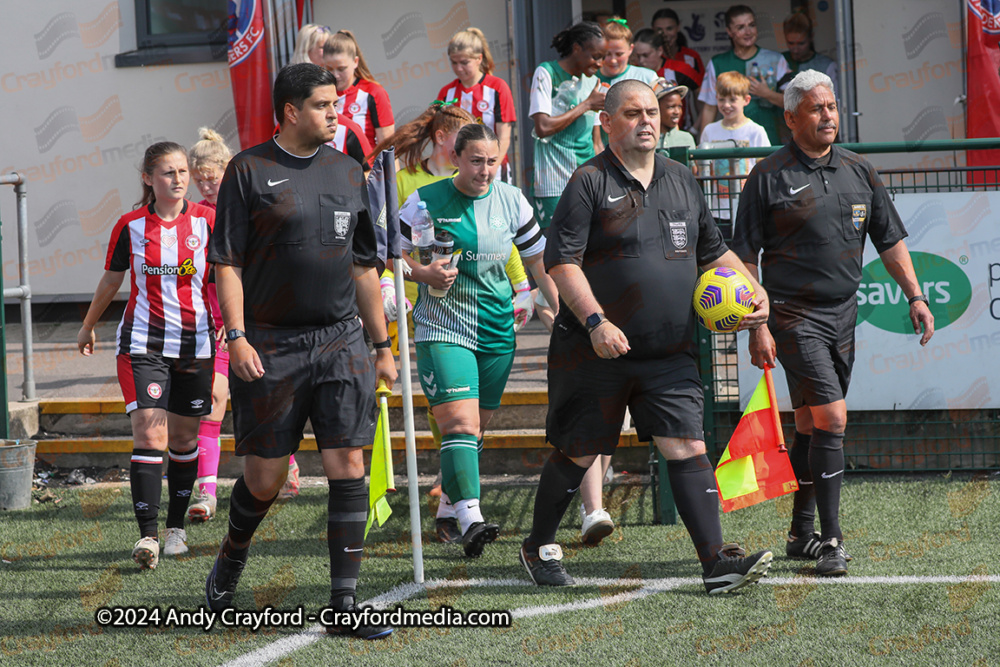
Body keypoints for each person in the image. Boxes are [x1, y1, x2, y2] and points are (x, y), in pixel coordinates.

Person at [519, 79, 773, 595]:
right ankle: (538, 543)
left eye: (652, 112)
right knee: (578, 450)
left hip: (669, 349)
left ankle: (716, 563)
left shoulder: (682, 177)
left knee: (687, 443)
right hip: (594, 349)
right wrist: (596, 322)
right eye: (633, 113)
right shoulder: (588, 182)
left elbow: (712, 250)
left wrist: (754, 292)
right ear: (606, 124)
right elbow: (560, 262)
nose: (646, 121)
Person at [204, 64, 397, 641]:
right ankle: (229, 562)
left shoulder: (347, 169)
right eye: (323, 105)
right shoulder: (248, 169)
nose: (336, 114)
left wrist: (382, 344)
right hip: (270, 343)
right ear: (291, 111)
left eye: (336, 104)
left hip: (341, 340)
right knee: (262, 479)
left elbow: (364, 266)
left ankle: (344, 602)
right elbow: (228, 262)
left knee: (349, 465)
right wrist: (236, 336)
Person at [733, 70, 934, 577]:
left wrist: (915, 295)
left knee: (808, 423)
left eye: (833, 107)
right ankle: (832, 540)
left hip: (845, 315)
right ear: (792, 117)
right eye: (817, 108)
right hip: (791, 316)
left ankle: (800, 532)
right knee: (834, 419)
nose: (828, 116)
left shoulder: (860, 170)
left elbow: (889, 241)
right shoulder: (767, 175)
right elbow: (744, 257)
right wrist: (758, 323)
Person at [400, 123, 558, 558]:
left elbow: (539, 262)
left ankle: (450, 509)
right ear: (456, 158)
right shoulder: (426, 201)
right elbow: (386, 252)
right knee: (460, 425)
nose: (485, 170)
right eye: (476, 161)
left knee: (476, 429)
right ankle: (472, 516)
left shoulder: (512, 200)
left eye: (492, 161)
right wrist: (423, 273)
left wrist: (565, 308)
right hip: (442, 326)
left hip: (496, 330)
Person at [77, 142, 215, 569]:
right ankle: (148, 536)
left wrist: (237, 323)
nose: (178, 179)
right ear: (148, 178)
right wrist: (87, 324)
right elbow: (110, 281)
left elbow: (229, 274)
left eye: (182, 172)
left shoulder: (209, 221)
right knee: (150, 436)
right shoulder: (130, 225)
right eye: (168, 173)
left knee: (185, 440)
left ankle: (176, 529)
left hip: (196, 345)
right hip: (143, 345)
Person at [186, 128, 233, 522]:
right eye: (197, 178)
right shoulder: (195, 216)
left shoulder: (248, 208)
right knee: (213, 402)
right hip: (212, 327)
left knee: (264, 401)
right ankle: (207, 491)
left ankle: (286, 464)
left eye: (210, 176)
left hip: (254, 323)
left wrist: (241, 319)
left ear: (227, 169)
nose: (204, 184)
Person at [529, 21, 606, 230]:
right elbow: (542, 127)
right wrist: (587, 104)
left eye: (603, 57)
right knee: (555, 250)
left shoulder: (594, 83)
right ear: (576, 48)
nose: (600, 63)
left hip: (587, 181)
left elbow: (596, 142)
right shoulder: (546, 73)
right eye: (595, 56)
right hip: (553, 184)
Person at [698, 5, 789, 145]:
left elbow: (794, 104)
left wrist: (768, 94)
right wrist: (703, 147)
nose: (748, 32)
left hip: (771, 140)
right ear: (729, 31)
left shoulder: (776, 60)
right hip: (728, 144)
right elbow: (710, 108)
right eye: (740, 27)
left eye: (752, 25)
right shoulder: (717, 63)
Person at [436, 28, 517, 183]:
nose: (459, 68)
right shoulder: (447, 93)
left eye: (464, 62)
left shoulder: (497, 88)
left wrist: (490, 171)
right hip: (456, 172)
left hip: (494, 172)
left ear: (479, 59)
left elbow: (504, 137)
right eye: (454, 62)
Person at [698, 71, 770, 226]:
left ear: (746, 99)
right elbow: (701, 166)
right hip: (716, 209)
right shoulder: (709, 130)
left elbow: (764, 167)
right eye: (721, 99)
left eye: (732, 100)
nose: (726, 105)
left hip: (748, 207)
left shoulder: (756, 130)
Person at [594, 17, 659, 151]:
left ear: (631, 49)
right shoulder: (590, 78)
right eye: (607, 54)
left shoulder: (647, 77)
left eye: (619, 54)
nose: (613, 60)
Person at [324, 30, 395, 147]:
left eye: (341, 69)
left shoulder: (373, 92)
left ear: (355, 62)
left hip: (363, 164)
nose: (335, 75)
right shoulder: (319, 93)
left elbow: (387, 146)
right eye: (330, 69)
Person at [651, 8, 705, 134]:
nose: (664, 34)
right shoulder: (644, 60)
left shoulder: (691, 58)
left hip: (683, 128)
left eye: (669, 28)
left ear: (678, 27)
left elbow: (702, 97)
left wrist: (696, 129)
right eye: (659, 29)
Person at [780, 14, 838, 92]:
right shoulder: (779, 61)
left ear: (811, 37)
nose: (795, 50)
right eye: (790, 43)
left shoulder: (827, 66)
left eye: (801, 43)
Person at [655, 80, 695, 152]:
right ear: (656, 108)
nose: (677, 112)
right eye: (671, 107)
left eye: (679, 106)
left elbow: (693, 163)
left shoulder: (686, 138)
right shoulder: (648, 139)